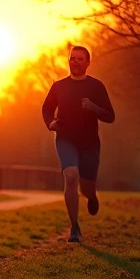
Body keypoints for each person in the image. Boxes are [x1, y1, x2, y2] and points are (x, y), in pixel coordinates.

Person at [41, 46, 115, 243]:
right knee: (71, 175)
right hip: (65, 139)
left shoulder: (96, 86)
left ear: (88, 62)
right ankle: (74, 227)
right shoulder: (59, 86)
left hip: (90, 143)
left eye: (80, 59)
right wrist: (50, 123)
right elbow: (47, 108)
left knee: (86, 189)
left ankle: (91, 197)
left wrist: (93, 108)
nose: (75, 62)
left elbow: (110, 116)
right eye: (72, 58)